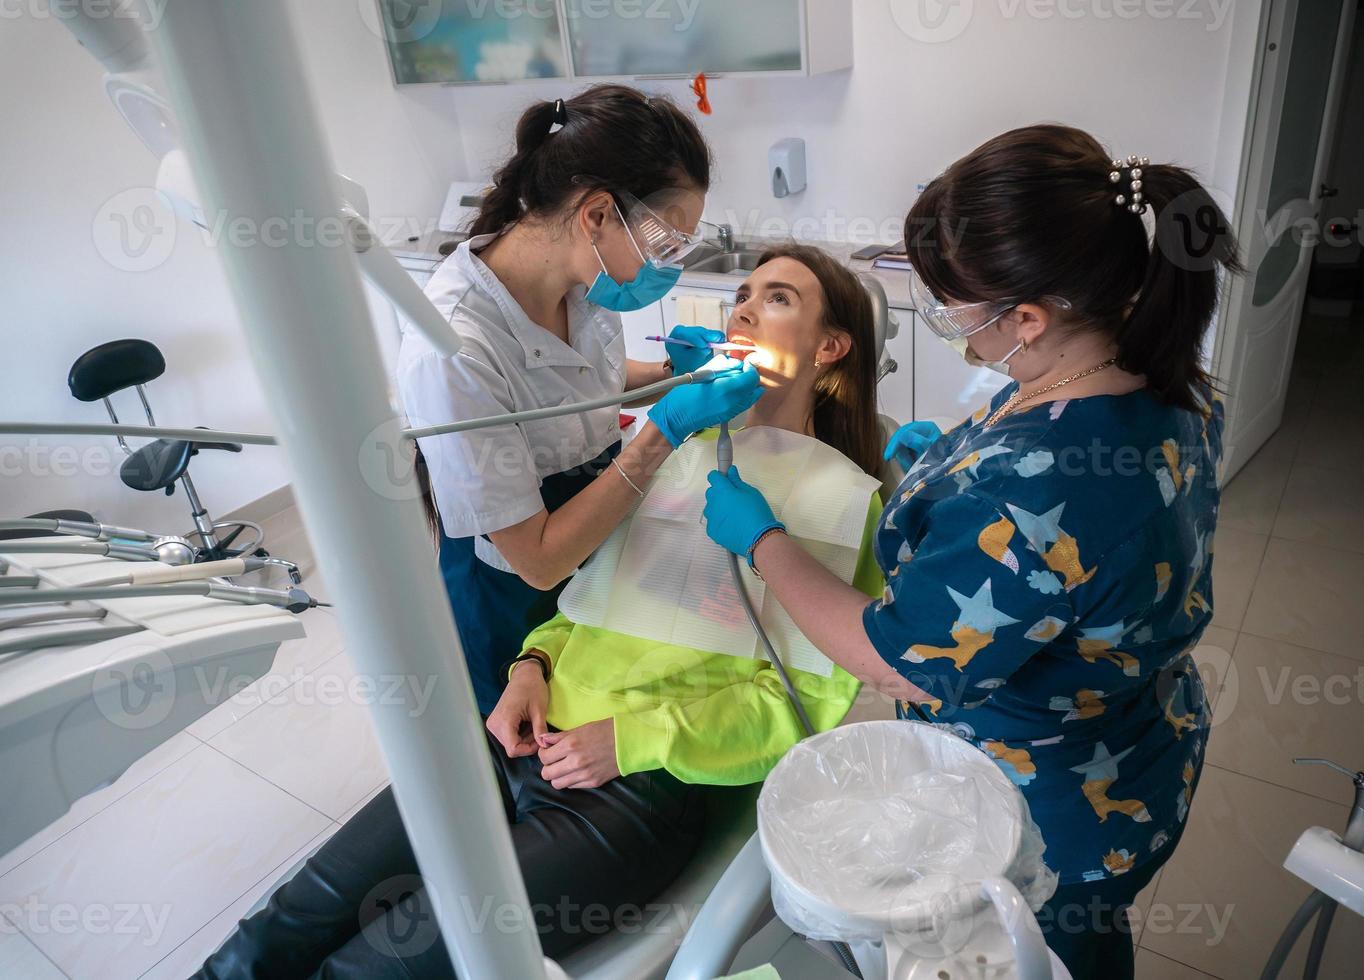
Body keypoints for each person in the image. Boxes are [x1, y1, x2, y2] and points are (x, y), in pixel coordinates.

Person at [194, 245, 888, 978]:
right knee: (296, 915)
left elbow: (797, 701)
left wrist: (631, 740)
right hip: (519, 736)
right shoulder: (677, 457)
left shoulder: (845, 501)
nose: (741, 308)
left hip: (633, 789)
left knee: (375, 964)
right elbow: (587, 600)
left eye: (776, 298)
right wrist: (532, 665)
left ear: (831, 347)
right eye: (741, 293)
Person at [701, 125, 1240, 980]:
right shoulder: (1162, 380)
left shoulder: (1031, 490)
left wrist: (764, 542)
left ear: (1028, 318)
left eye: (953, 308)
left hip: (1056, 808)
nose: (949, 324)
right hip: (1143, 741)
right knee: (1093, 938)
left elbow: (901, 662)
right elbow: (1056, 548)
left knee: (1058, 954)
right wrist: (934, 468)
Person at [398, 84, 763, 715]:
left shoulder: (580, 276)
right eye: (665, 244)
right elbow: (538, 560)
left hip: (596, 542)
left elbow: (569, 383)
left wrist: (672, 372)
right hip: (515, 585)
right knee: (535, 759)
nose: (668, 266)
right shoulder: (453, 350)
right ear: (596, 215)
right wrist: (663, 432)